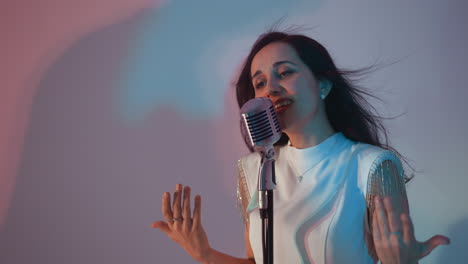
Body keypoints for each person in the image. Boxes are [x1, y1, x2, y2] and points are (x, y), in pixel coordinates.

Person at [152, 31, 450, 263]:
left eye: (285, 73)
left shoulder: (371, 165)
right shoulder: (252, 169)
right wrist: (205, 255)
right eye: (260, 83)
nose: (271, 89)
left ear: (323, 85)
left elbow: (397, 255)